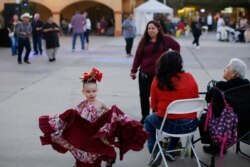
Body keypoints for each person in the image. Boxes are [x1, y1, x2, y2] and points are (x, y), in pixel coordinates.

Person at [144, 51, 199, 166]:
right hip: (190, 125)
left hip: (170, 125)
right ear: (179, 64)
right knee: (179, 116)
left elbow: (153, 107)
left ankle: (155, 152)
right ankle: (170, 150)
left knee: (148, 120)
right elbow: (196, 99)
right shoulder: (189, 77)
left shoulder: (158, 80)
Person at [130, 20, 180, 124]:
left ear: (158, 29)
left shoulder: (166, 39)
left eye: (153, 28)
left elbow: (177, 47)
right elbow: (138, 56)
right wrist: (133, 71)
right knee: (143, 95)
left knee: (156, 96)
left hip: (160, 75)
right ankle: (145, 116)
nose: (151, 30)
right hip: (144, 74)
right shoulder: (144, 40)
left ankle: (155, 116)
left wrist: (172, 62)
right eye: (149, 28)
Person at [201, 58, 249, 154]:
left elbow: (207, 99)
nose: (224, 70)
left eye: (227, 68)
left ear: (234, 73)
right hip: (245, 123)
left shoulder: (220, 87)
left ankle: (216, 147)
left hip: (226, 125)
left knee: (204, 118)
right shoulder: (247, 85)